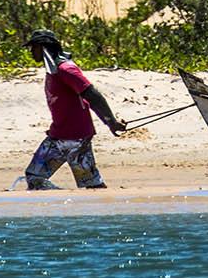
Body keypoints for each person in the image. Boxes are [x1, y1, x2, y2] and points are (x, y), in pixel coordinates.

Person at [21, 29, 128, 190]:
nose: (31, 52)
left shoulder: (66, 69)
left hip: (71, 137)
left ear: (43, 48)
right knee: (91, 186)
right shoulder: (55, 70)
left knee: (35, 178)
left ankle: (63, 205)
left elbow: (93, 95)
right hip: (65, 134)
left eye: (33, 48)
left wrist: (111, 122)